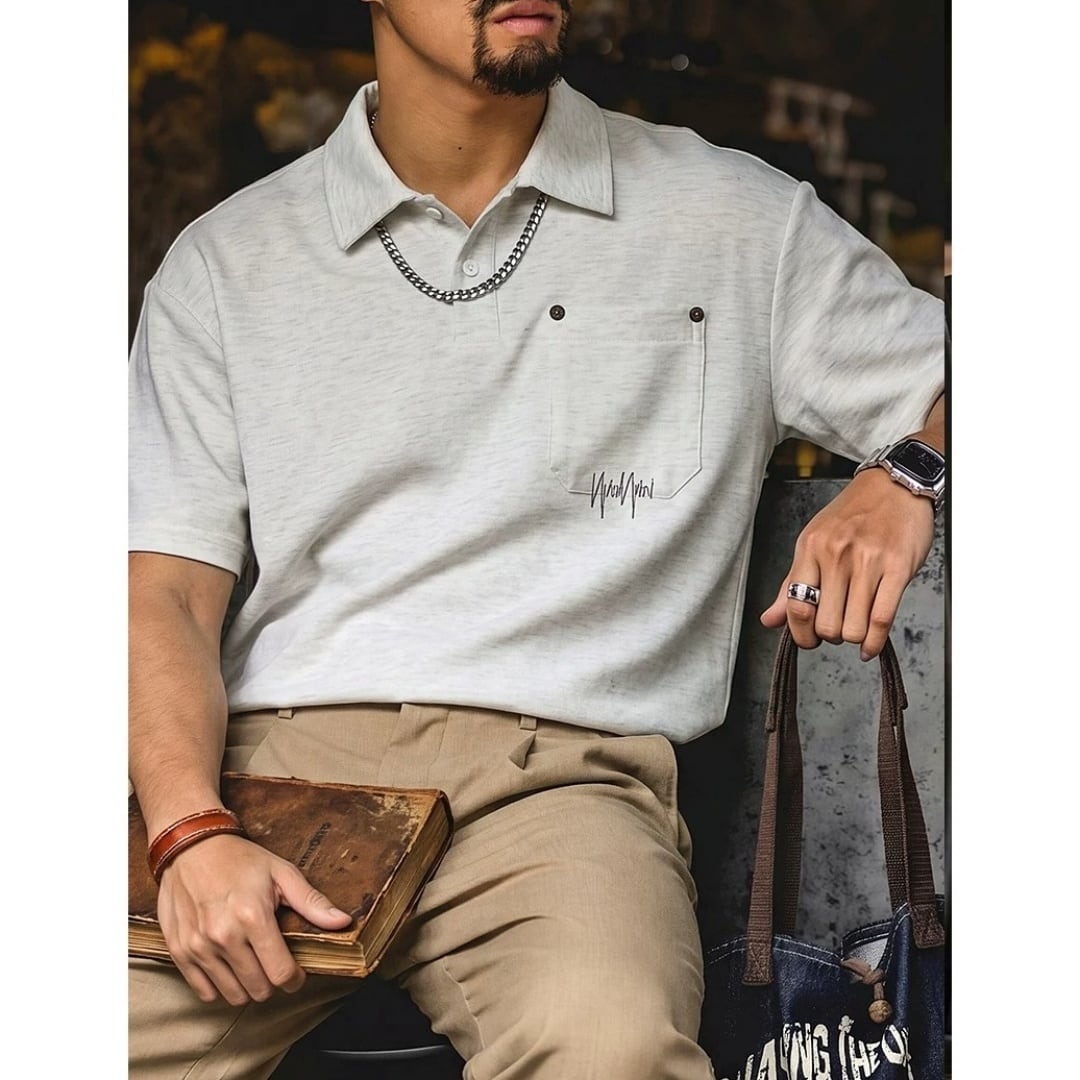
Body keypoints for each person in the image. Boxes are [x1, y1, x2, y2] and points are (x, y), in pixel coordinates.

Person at [127, 1, 946, 1077]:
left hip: (560, 787)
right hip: (271, 783)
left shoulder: (737, 217)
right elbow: (162, 593)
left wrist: (910, 470)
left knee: (610, 1044)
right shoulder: (227, 262)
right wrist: (188, 830)